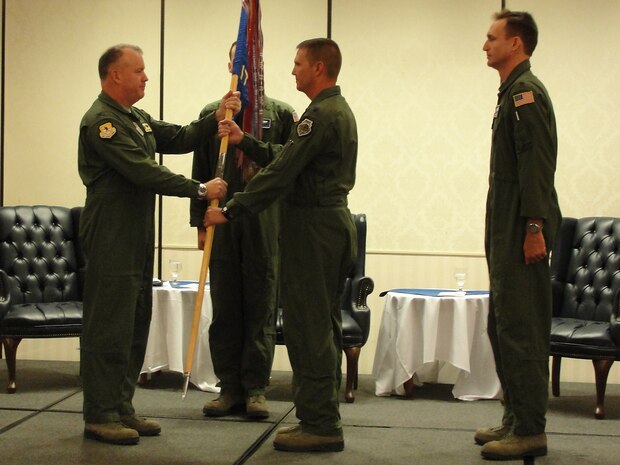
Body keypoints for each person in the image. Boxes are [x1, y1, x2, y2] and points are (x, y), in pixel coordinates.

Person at [77, 44, 239, 445]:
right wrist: (199, 188)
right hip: (111, 232)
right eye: (139, 71)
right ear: (115, 75)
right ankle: (99, 414)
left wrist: (215, 116)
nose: (146, 77)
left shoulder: (135, 118)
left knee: (134, 321)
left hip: (135, 233)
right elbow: (143, 170)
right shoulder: (102, 122)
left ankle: (121, 406)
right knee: (108, 325)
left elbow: (180, 137)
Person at [205, 38, 357, 453]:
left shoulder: (320, 114)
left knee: (310, 329)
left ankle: (322, 424)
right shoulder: (325, 111)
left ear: (319, 68)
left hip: (315, 228)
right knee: (315, 326)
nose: (292, 71)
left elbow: (281, 172)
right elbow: (281, 156)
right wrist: (243, 141)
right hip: (320, 226)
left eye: (298, 64)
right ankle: (317, 416)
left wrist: (231, 211)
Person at [189, 42, 297, 419]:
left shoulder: (281, 114)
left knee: (260, 306)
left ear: (259, 62)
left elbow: (290, 168)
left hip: (265, 224)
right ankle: (229, 387)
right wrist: (197, 223)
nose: (243, 65)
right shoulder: (212, 114)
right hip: (220, 225)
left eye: (249, 58)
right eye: (237, 59)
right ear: (230, 63)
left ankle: (255, 389)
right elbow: (200, 170)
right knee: (227, 309)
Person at [477, 10, 562, 460]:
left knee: (522, 327)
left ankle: (530, 428)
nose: (485, 45)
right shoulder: (510, 93)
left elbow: (537, 169)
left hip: (521, 225)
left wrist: (534, 228)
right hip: (506, 222)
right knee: (502, 323)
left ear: (516, 43)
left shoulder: (526, 93)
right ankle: (515, 416)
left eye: (492, 38)